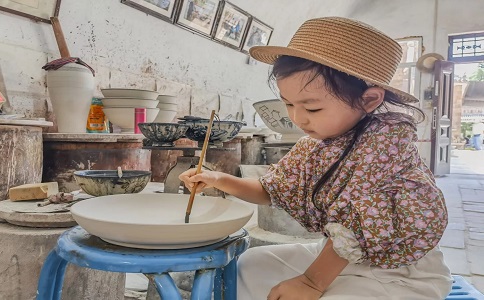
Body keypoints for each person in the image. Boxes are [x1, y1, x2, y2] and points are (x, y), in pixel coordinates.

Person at [179, 17, 451, 299]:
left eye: (313, 108)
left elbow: (356, 229)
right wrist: (218, 180)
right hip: (338, 255)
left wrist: (311, 282)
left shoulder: (387, 139)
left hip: (400, 272)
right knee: (249, 265)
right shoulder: (314, 146)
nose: (297, 118)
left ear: (369, 100)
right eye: (288, 104)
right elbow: (271, 191)